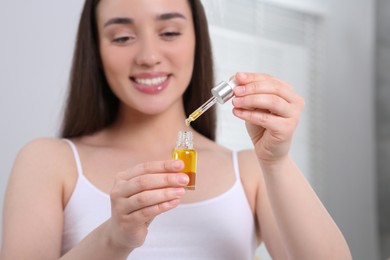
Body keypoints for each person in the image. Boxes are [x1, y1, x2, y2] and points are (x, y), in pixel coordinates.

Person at [0, 0, 352, 259]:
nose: (149, 55)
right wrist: (115, 238)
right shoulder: (49, 161)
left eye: (169, 32)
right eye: (122, 37)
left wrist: (276, 162)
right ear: (96, 50)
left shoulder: (250, 170)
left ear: (198, 40)